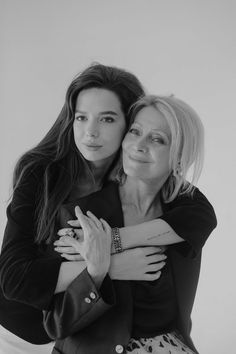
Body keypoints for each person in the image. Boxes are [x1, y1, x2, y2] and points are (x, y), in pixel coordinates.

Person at [0, 63, 216, 354]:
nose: (91, 132)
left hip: (93, 327)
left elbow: (200, 215)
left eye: (107, 119)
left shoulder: (143, 173)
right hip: (21, 325)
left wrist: (113, 240)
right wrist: (109, 266)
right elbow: (14, 279)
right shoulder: (42, 175)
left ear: (127, 123)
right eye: (81, 117)